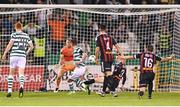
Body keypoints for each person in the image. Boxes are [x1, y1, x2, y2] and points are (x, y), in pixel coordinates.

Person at [1, 22, 34, 98]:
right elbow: (32, 47)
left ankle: (9, 90)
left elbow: (10, 45)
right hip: (22, 56)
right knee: (21, 73)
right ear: (22, 27)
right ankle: (21, 86)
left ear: (15, 27)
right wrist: (26, 52)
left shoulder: (14, 34)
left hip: (14, 55)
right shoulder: (26, 35)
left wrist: (5, 53)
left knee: (11, 73)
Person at [95, 24, 123, 97]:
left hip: (104, 58)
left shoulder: (99, 37)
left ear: (99, 29)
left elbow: (97, 49)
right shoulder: (111, 37)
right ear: (106, 29)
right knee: (106, 76)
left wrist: (96, 58)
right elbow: (117, 47)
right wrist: (120, 54)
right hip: (110, 58)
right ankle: (103, 91)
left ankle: (113, 91)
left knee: (108, 75)